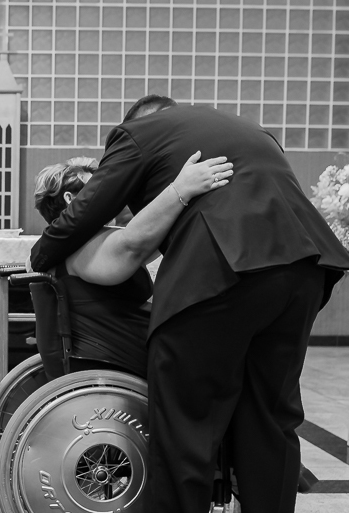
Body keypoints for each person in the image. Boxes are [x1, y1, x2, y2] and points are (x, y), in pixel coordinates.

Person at [30, 97, 349, 513]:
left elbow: (87, 210)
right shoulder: (248, 131)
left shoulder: (136, 136)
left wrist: (42, 252)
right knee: (272, 414)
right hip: (305, 266)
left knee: (185, 417)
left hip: (223, 271)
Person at [31, 153, 232, 377]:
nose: (108, 198)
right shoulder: (78, 246)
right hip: (123, 359)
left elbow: (150, 242)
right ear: (70, 198)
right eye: (95, 192)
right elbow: (133, 246)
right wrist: (180, 190)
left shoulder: (64, 245)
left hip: (131, 349)